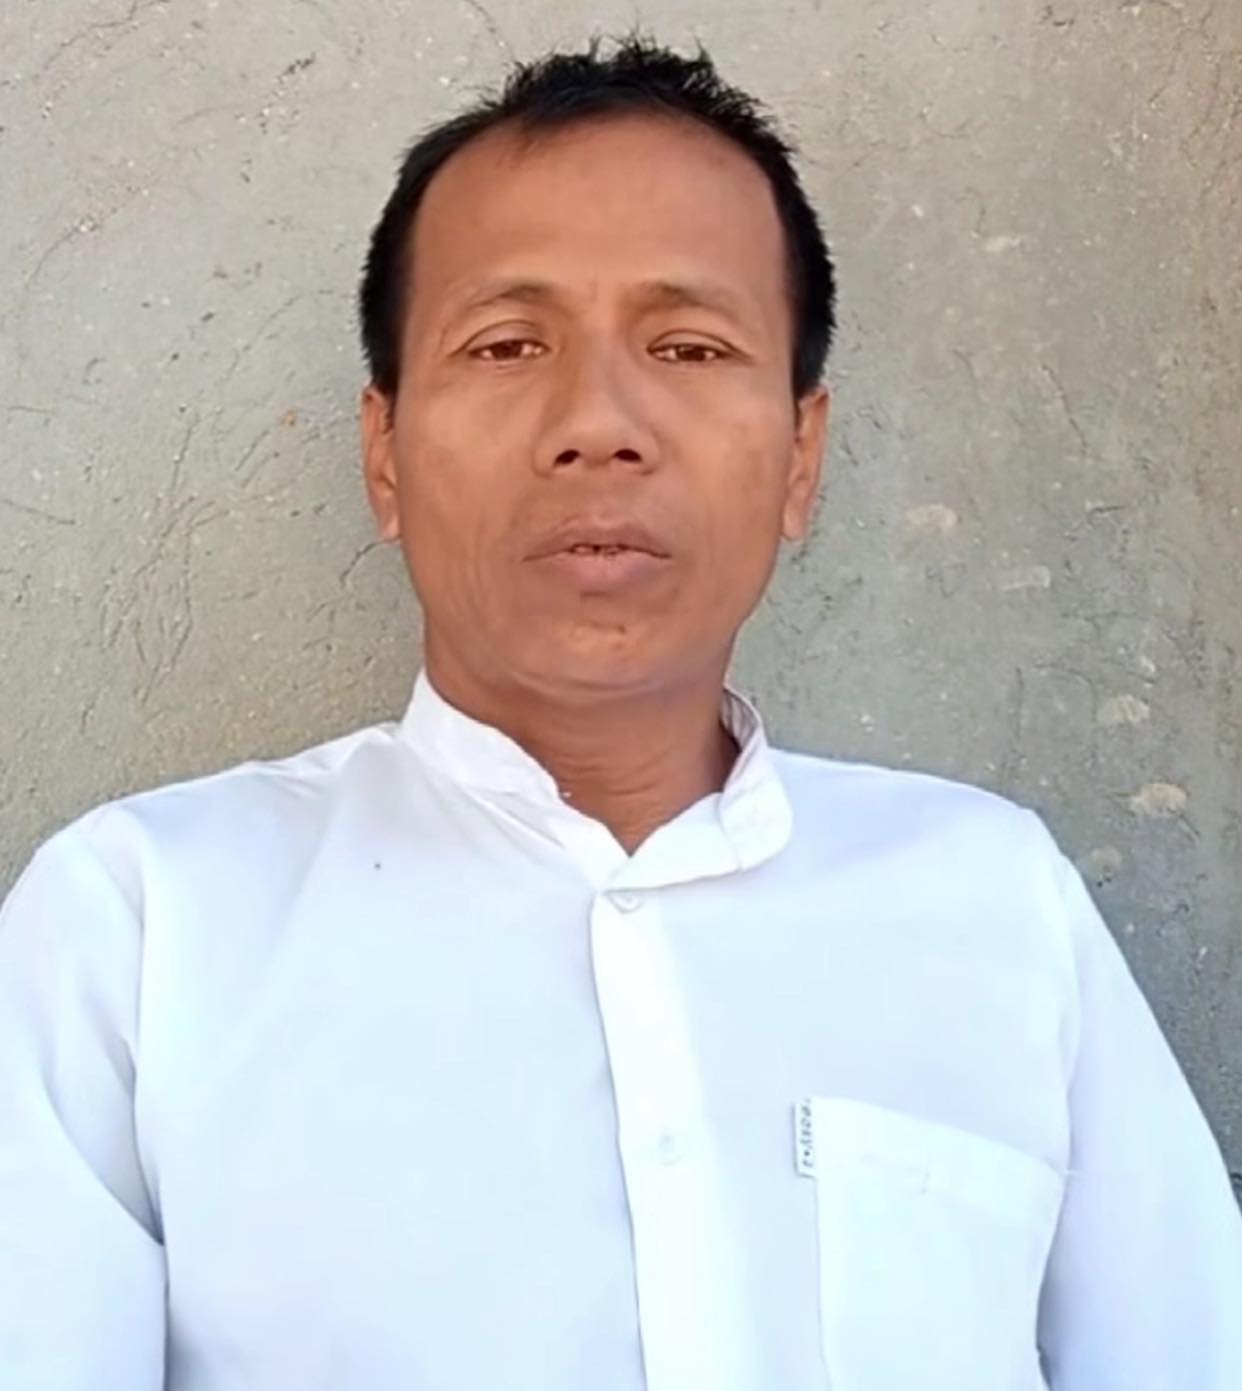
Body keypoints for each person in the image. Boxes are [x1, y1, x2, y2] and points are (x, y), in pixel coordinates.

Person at [1, 30, 1239, 1391]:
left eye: (689, 344)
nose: (598, 420)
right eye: (507, 342)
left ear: (800, 457)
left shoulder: (994, 904)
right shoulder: (141, 929)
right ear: (384, 454)